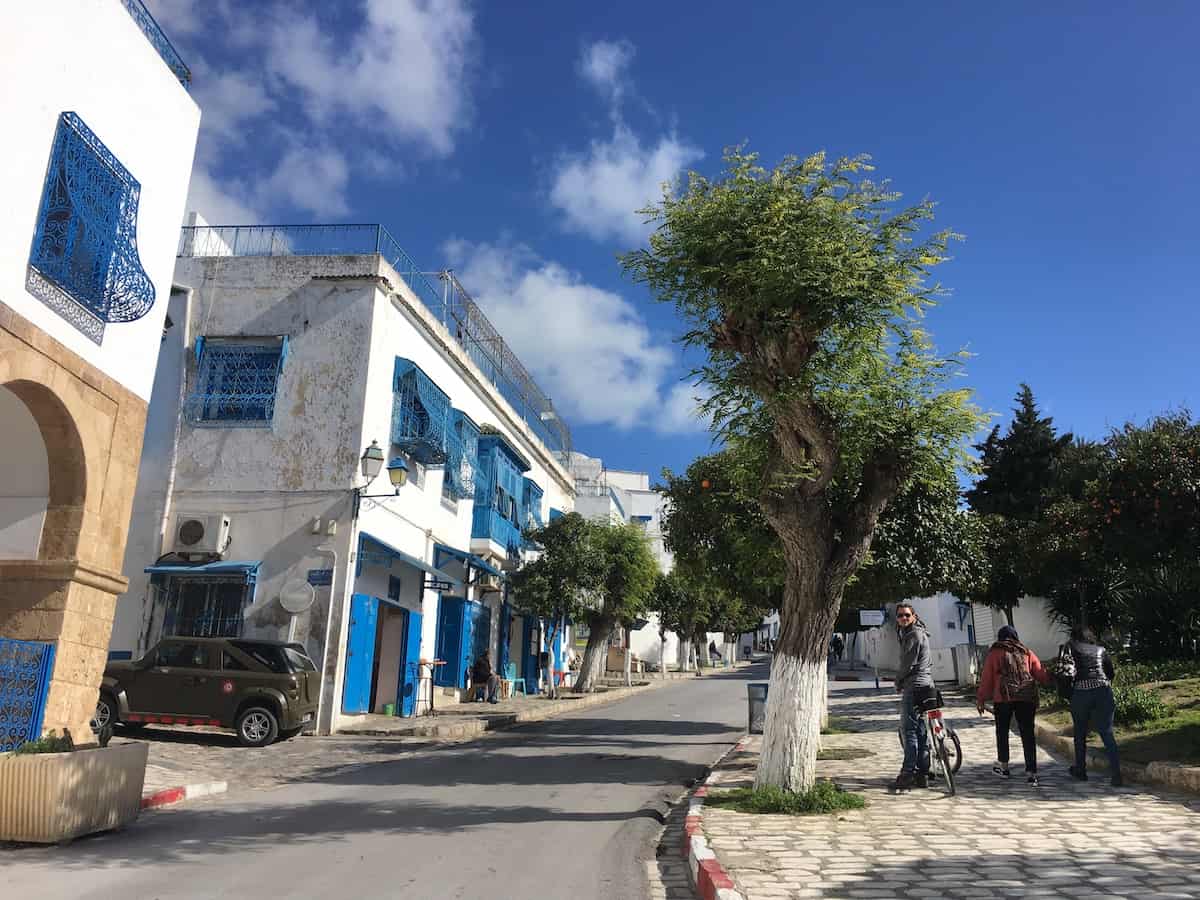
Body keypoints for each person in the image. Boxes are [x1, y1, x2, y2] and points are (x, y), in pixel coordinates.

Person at [975, 625, 1053, 785]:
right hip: (1025, 698)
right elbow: (1040, 673)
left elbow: (987, 678)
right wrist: (1051, 678)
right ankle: (1031, 773)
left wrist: (981, 698)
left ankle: (1004, 767)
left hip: (1003, 698)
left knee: (1002, 732)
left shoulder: (995, 653)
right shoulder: (1026, 652)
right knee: (1028, 734)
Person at [1065, 626, 1122, 786]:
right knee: (1107, 733)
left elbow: (1065, 670)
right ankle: (1116, 775)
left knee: (1080, 733)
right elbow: (1110, 673)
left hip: (1081, 692)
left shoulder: (1071, 647)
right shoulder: (1101, 650)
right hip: (1103, 690)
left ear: (1074, 637)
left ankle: (1081, 771)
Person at [893, 603, 934, 790]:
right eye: (900, 615)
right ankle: (923, 773)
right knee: (921, 730)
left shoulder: (912, 635)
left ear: (914, 616)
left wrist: (898, 681)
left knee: (909, 729)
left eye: (907, 615)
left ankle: (908, 772)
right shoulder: (922, 633)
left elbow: (907, 665)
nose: (904, 618)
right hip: (928, 685)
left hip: (915, 686)